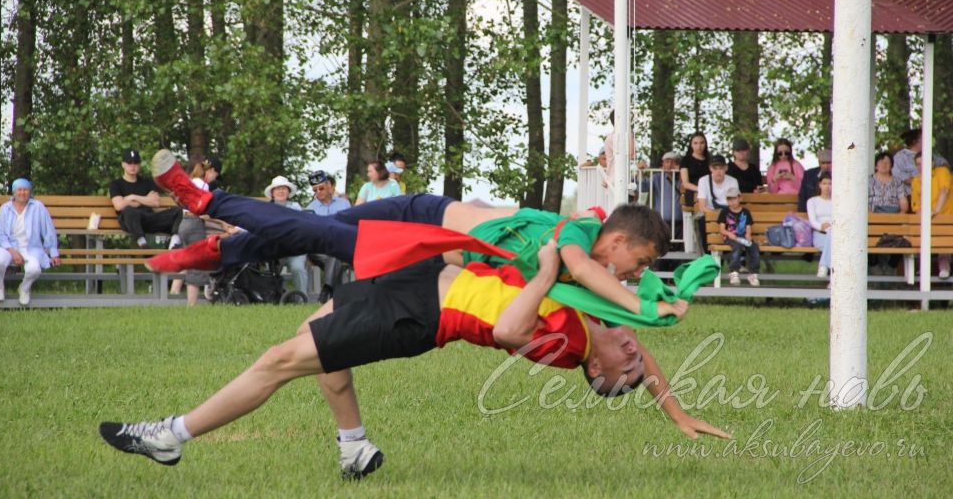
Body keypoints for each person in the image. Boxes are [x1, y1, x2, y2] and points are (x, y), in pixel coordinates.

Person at [99, 241, 729, 479]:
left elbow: (511, 331)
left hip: (415, 320)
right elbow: (644, 352)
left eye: (631, 365)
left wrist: (540, 275)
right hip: (418, 282)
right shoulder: (605, 338)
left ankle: (172, 435)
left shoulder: (569, 347)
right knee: (308, 336)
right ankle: (355, 447)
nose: (636, 350)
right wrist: (675, 412)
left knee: (278, 359)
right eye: (636, 353)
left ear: (599, 375)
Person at [146, 149, 688, 321]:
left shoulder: (577, 257)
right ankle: (207, 202)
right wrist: (647, 306)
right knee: (312, 229)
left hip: (425, 239)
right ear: (616, 241)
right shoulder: (583, 235)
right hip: (419, 222)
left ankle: (219, 251)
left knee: (312, 232)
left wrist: (660, 296)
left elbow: (597, 295)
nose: (635, 274)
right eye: (637, 263)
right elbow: (597, 275)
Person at [0, 178, 61, 306]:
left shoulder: (38, 207)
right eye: (19, 190)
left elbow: (49, 230)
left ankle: (24, 289)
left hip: (30, 247)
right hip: (8, 246)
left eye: (25, 190)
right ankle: (0, 287)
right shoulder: (5, 208)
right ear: (14, 192)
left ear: (30, 192)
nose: (22, 193)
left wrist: (54, 253)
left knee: (35, 269)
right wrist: (12, 251)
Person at [170, 156, 221, 306]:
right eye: (215, 175)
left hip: (183, 223)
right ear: (211, 171)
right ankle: (191, 304)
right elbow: (202, 208)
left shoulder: (191, 181)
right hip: (194, 224)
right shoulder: (203, 186)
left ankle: (173, 293)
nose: (214, 180)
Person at [109, 148, 183, 249]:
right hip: (131, 223)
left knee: (178, 211)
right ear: (123, 164)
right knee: (128, 210)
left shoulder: (147, 182)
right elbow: (119, 206)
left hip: (149, 219)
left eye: (135, 163)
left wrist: (132, 197)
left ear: (139, 165)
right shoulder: (116, 184)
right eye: (129, 162)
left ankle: (174, 243)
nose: (133, 166)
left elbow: (155, 202)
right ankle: (142, 243)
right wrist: (145, 200)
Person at [306, 170, 351, 303]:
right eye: (315, 189)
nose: (318, 192)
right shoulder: (310, 208)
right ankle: (333, 293)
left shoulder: (344, 204)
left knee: (335, 254)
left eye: (321, 188)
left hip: (338, 245)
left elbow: (348, 226)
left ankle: (327, 290)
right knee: (335, 257)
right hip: (319, 249)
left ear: (330, 186)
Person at [910, 152, 952, 278]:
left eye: (924, 163)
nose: (921, 166)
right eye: (918, 164)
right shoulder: (916, 181)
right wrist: (926, 216)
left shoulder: (942, 172)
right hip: (928, 220)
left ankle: (944, 267)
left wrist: (935, 212)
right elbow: (916, 206)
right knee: (920, 234)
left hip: (946, 219)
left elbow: (944, 191)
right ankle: (922, 269)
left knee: (943, 239)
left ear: (932, 163)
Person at [266, 175, 310, 295]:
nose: (281, 191)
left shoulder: (295, 207)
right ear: (272, 193)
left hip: (295, 248)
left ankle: (302, 299)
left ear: (288, 191)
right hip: (275, 249)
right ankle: (271, 298)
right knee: (269, 270)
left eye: (284, 188)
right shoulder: (266, 209)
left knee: (298, 268)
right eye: (277, 188)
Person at [717, 186, 760, 286]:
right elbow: (722, 229)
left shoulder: (745, 212)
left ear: (740, 198)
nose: (732, 202)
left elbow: (748, 226)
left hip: (743, 237)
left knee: (754, 248)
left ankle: (753, 273)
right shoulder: (724, 212)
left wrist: (748, 234)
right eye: (729, 199)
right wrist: (729, 234)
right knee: (737, 247)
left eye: (734, 198)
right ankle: (734, 272)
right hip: (730, 237)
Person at [640, 151, 682, 226]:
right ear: (663, 164)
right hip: (661, 222)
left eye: (673, 162)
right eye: (667, 162)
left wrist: (681, 172)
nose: (670, 165)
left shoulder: (683, 178)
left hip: (681, 223)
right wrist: (641, 172)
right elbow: (643, 188)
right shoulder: (657, 177)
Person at [806, 172, 833, 278]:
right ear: (820, 185)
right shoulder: (812, 201)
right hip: (819, 234)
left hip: (835, 234)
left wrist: (831, 227)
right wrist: (821, 226)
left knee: (832, 235)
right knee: (834, 246)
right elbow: (812, 221)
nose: (827, 186)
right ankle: (833, 279)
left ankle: (823, 266)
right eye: (824, 183)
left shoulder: (838, 201)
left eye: (830, 183)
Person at [679, 132, 710, 208]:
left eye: (702, 143)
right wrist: (701, 189)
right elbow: (685, 183)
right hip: (693, 193)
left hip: (709, 193)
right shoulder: (686, 160)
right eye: (695, 143)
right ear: (691, 145)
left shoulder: (710, 160)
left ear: (705, 144)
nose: (699, 146)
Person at [797, 148, 832, 212]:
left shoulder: (839, 177)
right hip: (810, 212)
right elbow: (802, 197)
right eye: (823, 163)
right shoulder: (808, 175)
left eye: (829, 163)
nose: (826, 166)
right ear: (819, 162)